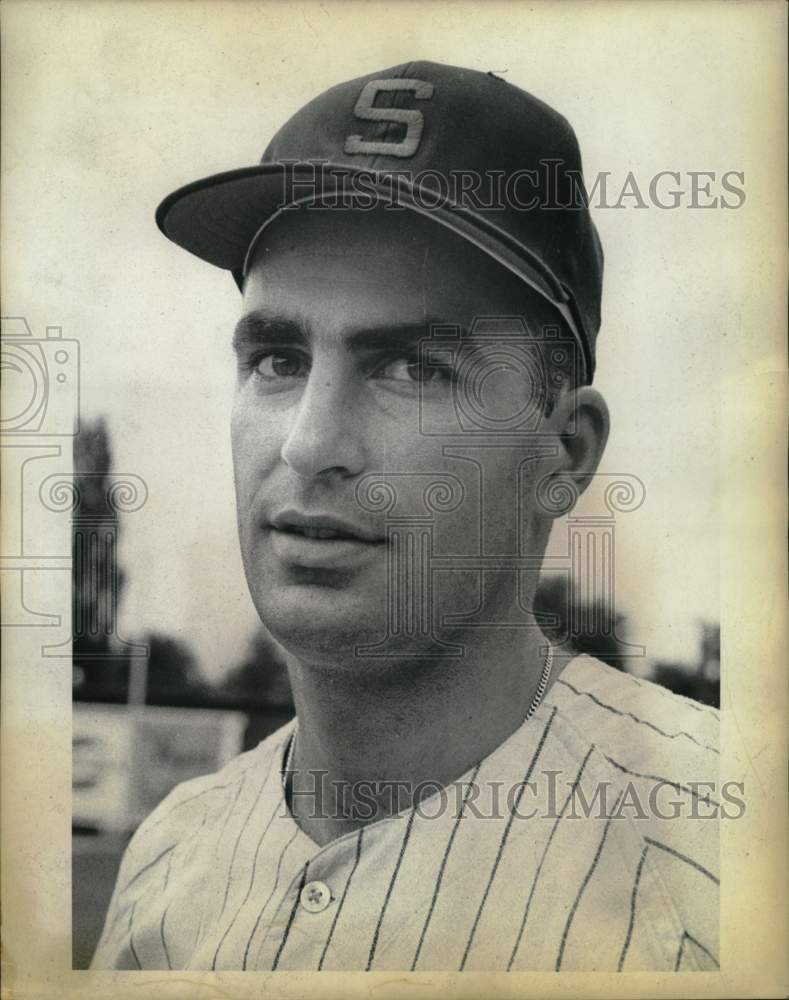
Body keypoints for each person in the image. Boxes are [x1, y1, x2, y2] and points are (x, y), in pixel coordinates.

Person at [92, 60, 720, 972]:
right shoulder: (168, 853)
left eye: (415, 369)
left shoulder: (726, 863)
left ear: (565, 454)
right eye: (276, 358)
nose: (309, 444)